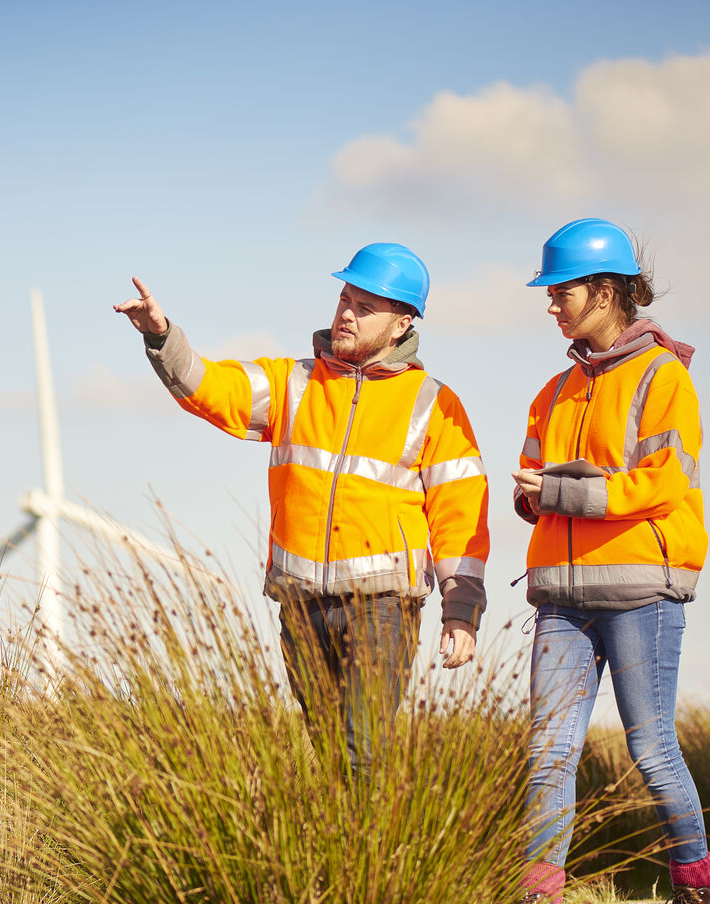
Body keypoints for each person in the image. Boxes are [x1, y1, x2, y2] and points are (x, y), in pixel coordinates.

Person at [113, 244, 489, 771]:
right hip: (301, 603)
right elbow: (209, 386)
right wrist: (161, 336)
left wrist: (462, 608)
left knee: (361, 755)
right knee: (332, 755)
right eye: (344, 299)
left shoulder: (433, 403)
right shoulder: (292, 382)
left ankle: (371, 830)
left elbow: (460, 510)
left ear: (402, 324)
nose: (346, 314)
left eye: (365, 306)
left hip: (381, 608)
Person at [493, 218, 710, 904]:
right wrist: (532, 496)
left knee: (651, 750)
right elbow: (538, 483)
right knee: (547, 753)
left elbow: (664, 483)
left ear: (604, 291)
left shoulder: (664, 377)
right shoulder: (553, 390)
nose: (551, 304)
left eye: (560, 291)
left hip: (641, 592)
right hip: (561, 599)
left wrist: (562, 493)